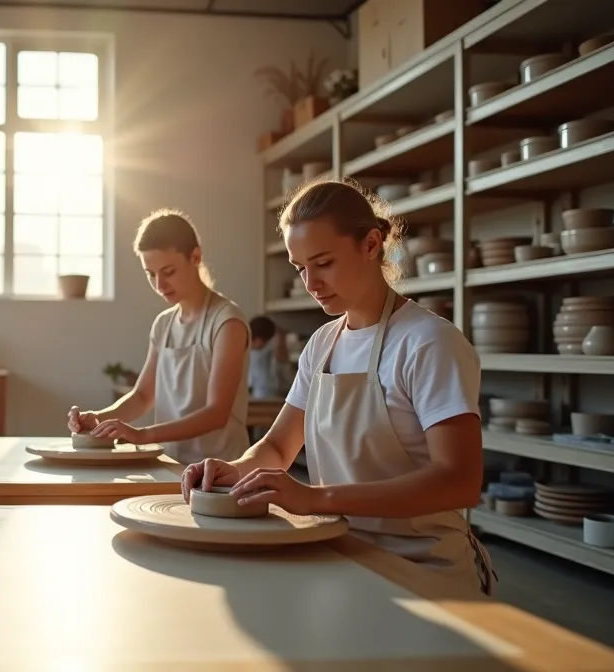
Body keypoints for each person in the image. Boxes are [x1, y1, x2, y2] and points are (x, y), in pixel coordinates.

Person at [181, 180, 494, 595]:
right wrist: (234, 471)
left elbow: (459, 480)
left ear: (370, 244)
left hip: (423, 569)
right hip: (340, 552)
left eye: (323, 262)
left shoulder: (428, 342)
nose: (311, 282)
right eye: (300, 268)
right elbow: (276, 449)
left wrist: (315, 499)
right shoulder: (323, 344)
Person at [68, 208, 250, 464]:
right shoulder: (164, 323)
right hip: (170, 465)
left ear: (195, 257)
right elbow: (142, 396)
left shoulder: (227, 321)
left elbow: (216, 413)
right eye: (150, 274)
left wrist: (142, 435)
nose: (159, 285)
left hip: (222, 471)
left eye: (168, 271)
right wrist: (98, 418)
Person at [247, 315, 289, 399]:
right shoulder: (253, 352)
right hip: (259, 393)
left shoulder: (265, 351)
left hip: (265, 394)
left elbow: (281, 357)